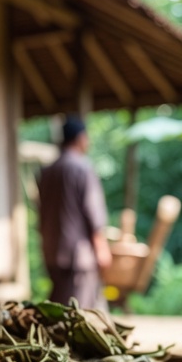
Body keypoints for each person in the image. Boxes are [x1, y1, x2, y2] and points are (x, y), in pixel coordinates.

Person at [36, 115, 112, 309]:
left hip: (52, 250)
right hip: (78, 256)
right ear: (80, 138)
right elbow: (93, 213)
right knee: (78, 312)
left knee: (59, 306)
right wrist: (101, 248)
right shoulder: (82, 169)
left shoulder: (47, 172)